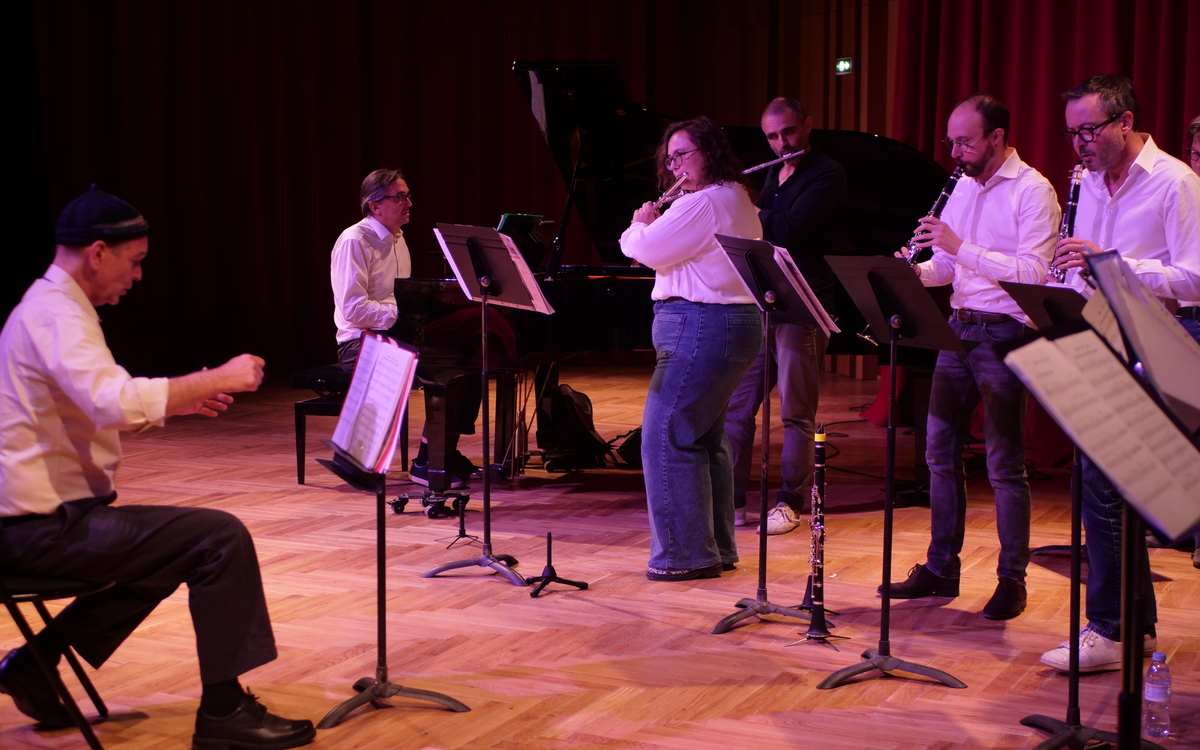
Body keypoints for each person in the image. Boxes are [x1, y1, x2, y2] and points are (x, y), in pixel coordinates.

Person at [0, 186, 315, 749]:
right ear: (98, 253)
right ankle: (224, 713)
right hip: (39, 530)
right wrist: (216, 377)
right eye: (135, 260)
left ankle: (36, 664)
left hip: (42, 522)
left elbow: (86, 407)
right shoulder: (56, 314)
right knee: (218, 538)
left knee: (174, 547)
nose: (139, 275)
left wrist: (179, 404)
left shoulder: (53, 306)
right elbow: (112, 401)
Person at [1041, 76, 1200, 672]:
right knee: (1099, 480)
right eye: (1071, 133)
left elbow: (1195, 279)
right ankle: (1127, 627)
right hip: (1104, 337)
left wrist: (1110, 265)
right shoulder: (1085, 183)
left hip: (1164, 343)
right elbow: (1085, 274)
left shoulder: (1175, 183)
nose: (1079, 143)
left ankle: (1116, 628)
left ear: (1125, 121)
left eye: (1089, 130)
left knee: (1110, 478)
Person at [886, 93, 1059, 621]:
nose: (955, 152)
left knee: (1004, 465)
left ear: (996, 137)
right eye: (952, 142)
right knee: (938, 454)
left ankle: (1012, 579)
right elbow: (948, 267)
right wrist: (915, 272)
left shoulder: (1033, 190)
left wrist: (959, 246)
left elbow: (1034, 273)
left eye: (964, 142)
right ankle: (941, 567)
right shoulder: (960, 185)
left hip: (1006, 333)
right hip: (958, 329)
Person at [620, 117, 764, 581]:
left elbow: (644, 250)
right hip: (730, 324)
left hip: (701, 324)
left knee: (665, 436)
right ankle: (714, 548)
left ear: (710, 153)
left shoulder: (703, 203)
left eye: (683, 155)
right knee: (704, 438)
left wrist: (639, 224)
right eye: (670, 158)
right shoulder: (736, 196)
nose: (675, 165)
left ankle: (684, 555)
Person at [722, 97, 847, 535]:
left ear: (807, 125)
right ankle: (731, 501)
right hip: (767, 301)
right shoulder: (775, 173)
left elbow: (793, 230)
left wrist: (747, 209)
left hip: (805, 306)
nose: (781, 143)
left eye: (788, 132)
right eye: (773, 137)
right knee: (737, 407)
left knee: (796, 413)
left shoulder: (827, 173)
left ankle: (791, 502)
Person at [331, 169, 479, 488]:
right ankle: (428, 463)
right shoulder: (354, 241)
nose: (409, 203)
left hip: (395, 336)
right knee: (445, 366)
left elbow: (401, 298)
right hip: (360, 343)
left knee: (471, 358)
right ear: (375, 206)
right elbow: (353, 309)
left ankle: (440, 453)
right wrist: (407, 314)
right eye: (400, 198)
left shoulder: (398, 239)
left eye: (408, 196)